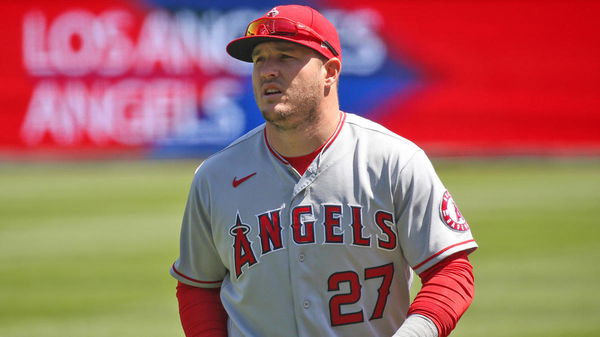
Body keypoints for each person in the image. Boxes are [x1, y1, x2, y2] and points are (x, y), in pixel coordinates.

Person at [170, 4, 477, 337]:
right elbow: (198, 285)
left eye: (285, 56)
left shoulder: (392, 160)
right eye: (260, 59)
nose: (268, 71)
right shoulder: (216, 176)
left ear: (330, 72)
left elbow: (450, 270)